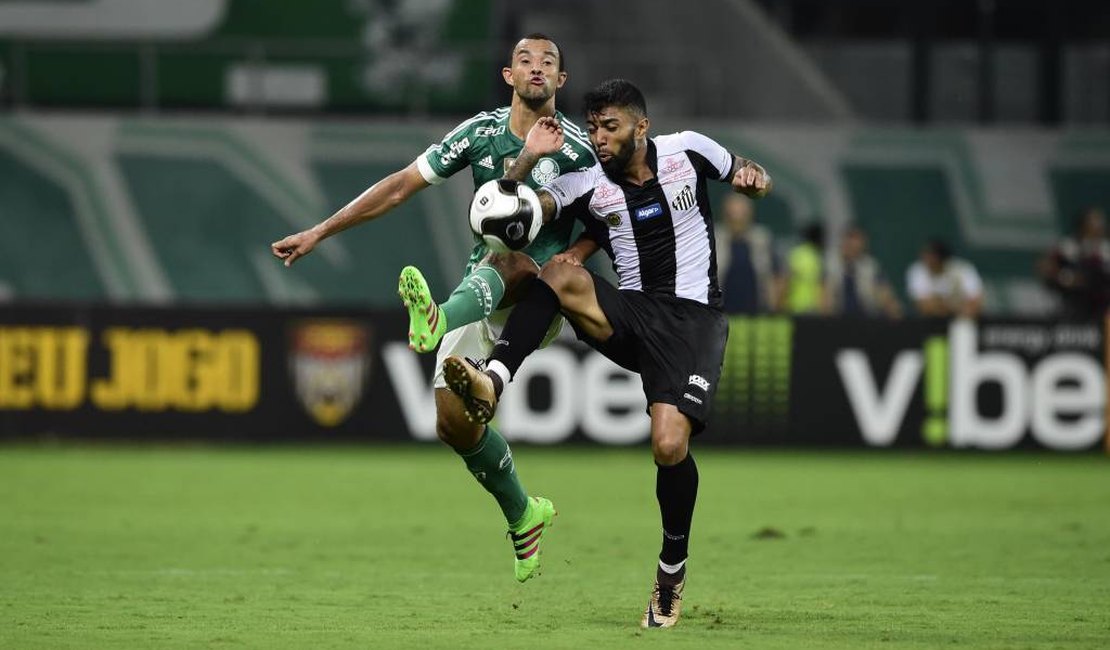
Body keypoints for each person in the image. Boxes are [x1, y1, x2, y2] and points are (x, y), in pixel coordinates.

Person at [441, 79, 771, 628]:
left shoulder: (688, 150)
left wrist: (754, 180)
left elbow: (744, 172)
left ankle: (670, 571)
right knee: (558, 274)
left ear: (641, 127)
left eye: (609, 126)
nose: (597, 137)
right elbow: (515, 205)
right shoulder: (587, 182)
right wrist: (524, 164)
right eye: (592, 126)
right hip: (633, 316)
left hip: (693, 325)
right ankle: (492, 381)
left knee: (668, 446)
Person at [270, 34, 598, 583]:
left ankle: (438, 317)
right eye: (525, 60)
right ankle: (524, 512)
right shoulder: (479, 133)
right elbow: (401, 186)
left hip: (535, 297)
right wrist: (321, 231)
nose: (536, 68)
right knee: (453, 425)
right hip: (480, 287)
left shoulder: (582, 152)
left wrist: (577, 253)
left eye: (548, 62)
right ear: (508, 75)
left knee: (514, 260)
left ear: (561, 81)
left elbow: (607, 220)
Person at [1039, 206, 1110, 318]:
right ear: (1083, 224)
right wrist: (1065, 277)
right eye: (1095, 221)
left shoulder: (1105, 249)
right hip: (1074, 304)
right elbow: (1045, 266)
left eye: (1100, 221)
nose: (1100, 225)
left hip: (1102, 305)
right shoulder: (1069, 246)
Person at [715, 194, 781, 314]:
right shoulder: (715, 239)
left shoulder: (762, 239)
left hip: (757, 311)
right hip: (721, 312)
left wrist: (773, 306)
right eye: (732, 214)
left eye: (741, 214)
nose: (737, 219)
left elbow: (776, 275)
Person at [823, 223, 902, 318]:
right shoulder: (830, 263)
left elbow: (885, 293)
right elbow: (825, 295)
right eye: (850, 238)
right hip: (837, 318)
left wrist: (891, 306)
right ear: (843, 241)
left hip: (866, 318)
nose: (854, 244)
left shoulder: (870, 266)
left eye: (858, 239)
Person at [906, 238, 983, 317]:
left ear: (941, 258)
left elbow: (976, 302)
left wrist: (943, 305)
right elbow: (923, 305)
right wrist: (952, 306)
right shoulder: (917, 270)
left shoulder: (963, 269)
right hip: (930, 322)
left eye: (931, 255)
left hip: (962, 320)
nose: (926, 258)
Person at [781, 222, 825, 314]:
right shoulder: (815, 257)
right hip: (806, 308)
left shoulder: (798, 254)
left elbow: (786, 281)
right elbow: (787, 281)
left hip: (796, 306)